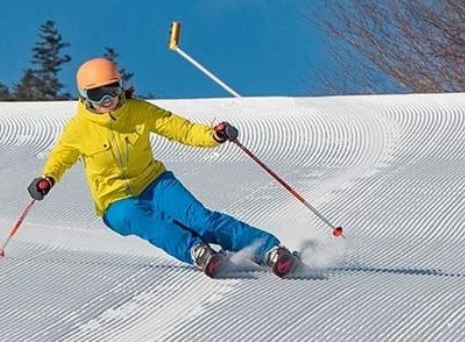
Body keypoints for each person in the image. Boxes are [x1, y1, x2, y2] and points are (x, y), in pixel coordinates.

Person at [27, 56, 300, 278]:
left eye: (112, 90)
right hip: (115, 201)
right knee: (139, 216)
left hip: (154, 183)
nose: (107, 100)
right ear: (84, 97)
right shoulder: (79, 129)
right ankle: (197, 251)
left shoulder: (139, 111)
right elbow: (61, 157)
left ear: (121, 86)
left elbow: (180, 129)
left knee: (200, 219)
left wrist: (212, 135)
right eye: (98, 95)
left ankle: (270, 251)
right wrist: (47, 179)